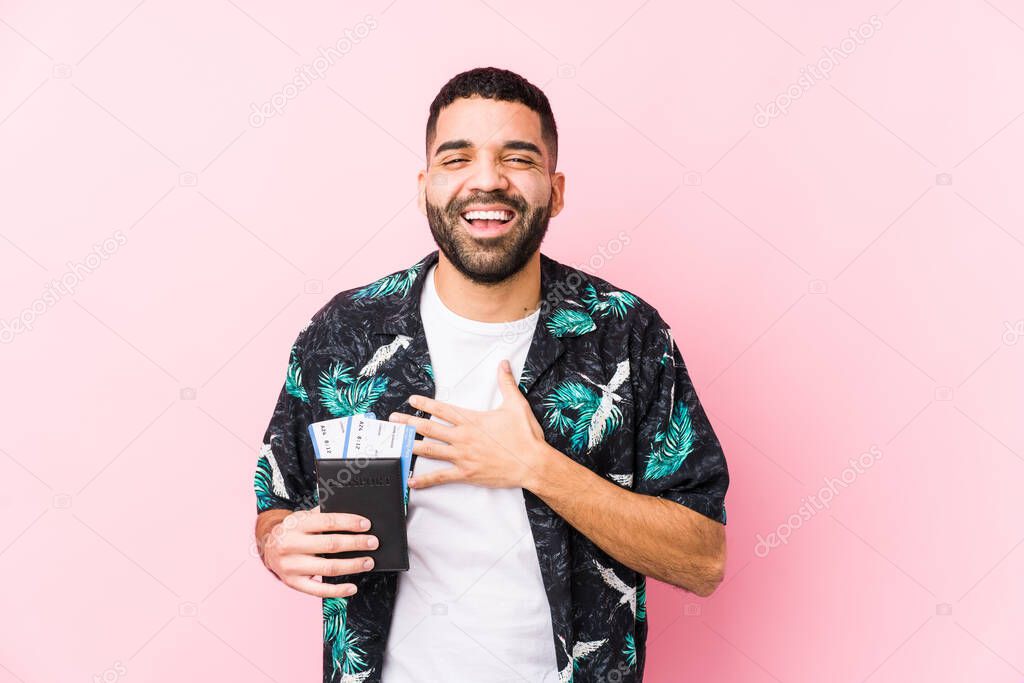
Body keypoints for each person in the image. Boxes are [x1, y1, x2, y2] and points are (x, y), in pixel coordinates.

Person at [253, 66, 729, 683]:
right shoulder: (346, 332)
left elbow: (703, 560)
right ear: (425, 186)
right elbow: (279, 505)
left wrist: (537, 467)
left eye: (518, 158)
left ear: (555, 190)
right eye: (457, 159)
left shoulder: (627, 334)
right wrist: (278, 543)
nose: (487, 181)